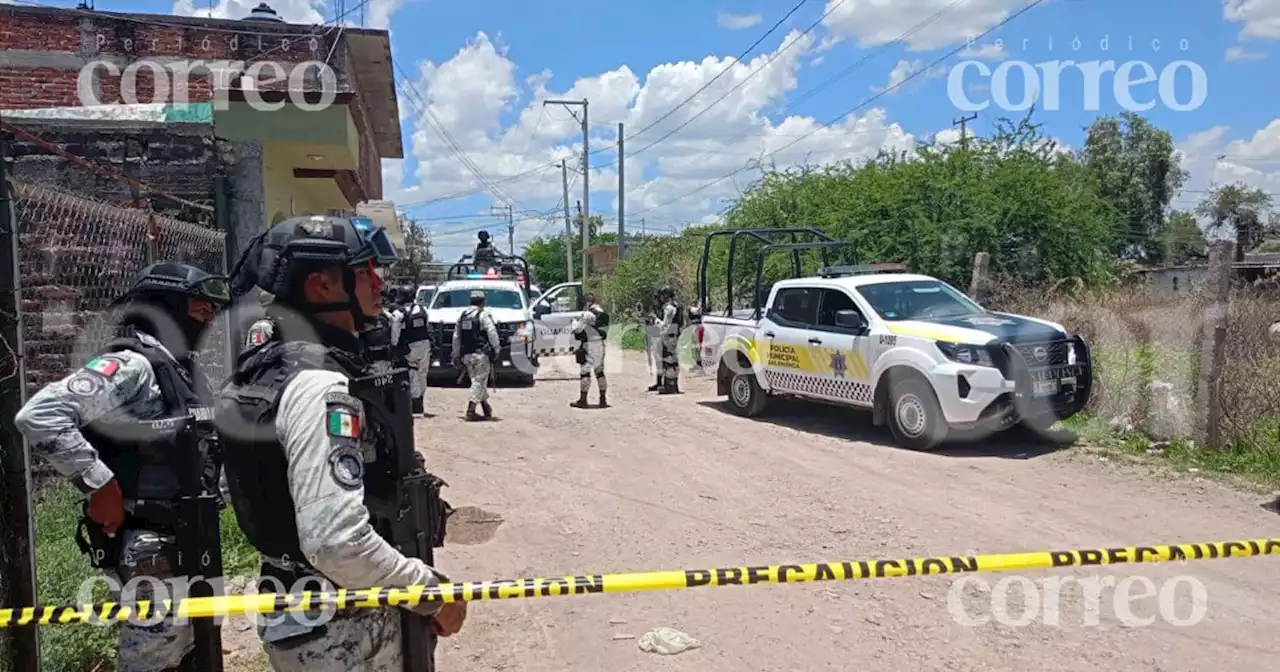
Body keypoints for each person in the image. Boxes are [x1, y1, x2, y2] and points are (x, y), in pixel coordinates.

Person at [215, 214, 466, 670]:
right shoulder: (318, 384)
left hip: (307, 615)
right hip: (341, 628)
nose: (378, 281)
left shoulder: (268, 366)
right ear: (321, 286)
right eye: (365, 269)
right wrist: (431, 594)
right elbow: (335, 541)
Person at [15, 262, 230, 672]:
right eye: (201, 309)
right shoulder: (134, 363)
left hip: (191, 535)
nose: (210, 319)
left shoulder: (180, 367)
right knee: (152, 658)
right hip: (153, 542)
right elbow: (41, 415)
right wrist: (100, 485)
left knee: (194, 650)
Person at [451, 289, 499, 421]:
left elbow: (456, 336)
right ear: (483, 302)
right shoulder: (483, 315)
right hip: (481, 355)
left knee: (478, 381)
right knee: (479, 381)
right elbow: (492, 332)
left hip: (467, 355)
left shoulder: (462, 316)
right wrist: (496, 349)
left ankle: (485, 407)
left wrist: (455, 354)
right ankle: (471, 410)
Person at [569, 292, 609, 408]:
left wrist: (573, 323)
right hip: (600, 344)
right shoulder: (604, 314)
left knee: (585, 373)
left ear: (587, 302)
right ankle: (603, 399)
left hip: (589, 344)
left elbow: (577, 330)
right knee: (600, 372)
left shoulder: (587, 314)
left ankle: (583, 399)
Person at [398, 285, 432, 416]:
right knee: (423, 373)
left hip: (411, 346)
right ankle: (421, 400)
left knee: (413, 373)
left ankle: (416, 405)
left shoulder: (402, 312)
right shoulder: (423, 309)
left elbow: (396, 331)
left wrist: (395, 345)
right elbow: (427, 327)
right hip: (425, 345)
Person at [656, 286, 684, 394]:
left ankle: (669, 386)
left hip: (669, 336)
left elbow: (665, 326)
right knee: (674, 361)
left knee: (668, 361)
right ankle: (674, 384)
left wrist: (655, 320)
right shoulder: (677, 306)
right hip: (675, 335)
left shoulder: (669, 308)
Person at [642, 292, 663, 392]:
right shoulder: (657, 309)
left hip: (663, 336)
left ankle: (664, 382)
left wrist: (655, 319)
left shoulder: (665, 310)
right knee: (657, 360)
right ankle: (659, 382)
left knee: (663, 361)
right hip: (655, 336)